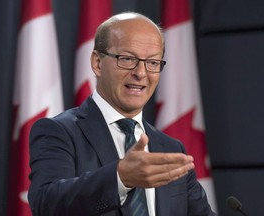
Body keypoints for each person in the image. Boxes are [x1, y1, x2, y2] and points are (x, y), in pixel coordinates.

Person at [28, 12, 216, 216]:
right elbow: (46, 203)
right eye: (127, 59)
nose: (141, 73)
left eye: (152, 63)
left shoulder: (170, 148)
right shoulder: (59, 132)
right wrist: (120, 178)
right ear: (97, 63)